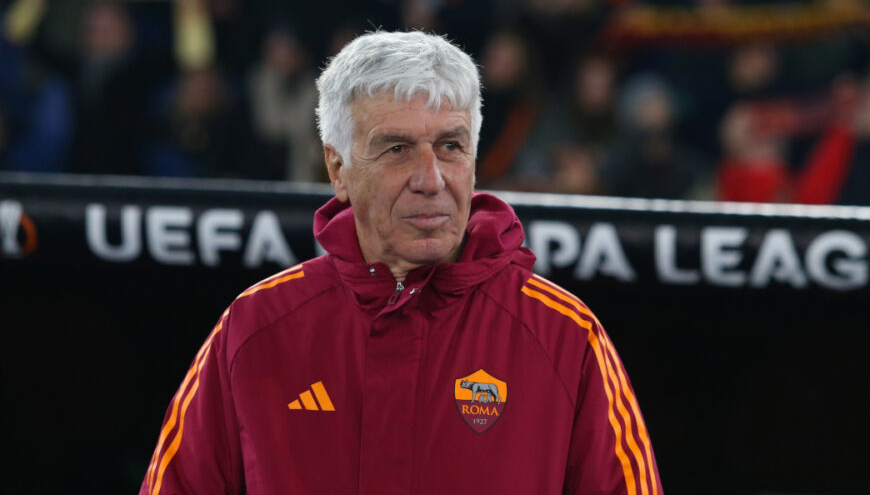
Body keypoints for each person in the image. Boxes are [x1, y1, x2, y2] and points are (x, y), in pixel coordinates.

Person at [139, 30, 662, 494]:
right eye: (396, 149)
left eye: (451, 146)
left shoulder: (565, 335)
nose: (431, 178)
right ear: (337, 168)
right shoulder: (254, 327)